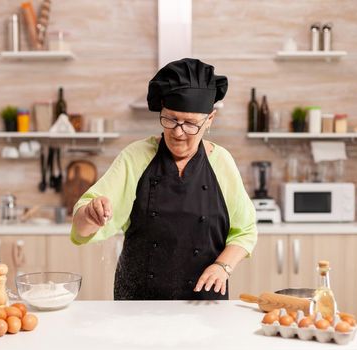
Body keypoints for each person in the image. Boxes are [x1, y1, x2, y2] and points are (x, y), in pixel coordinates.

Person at [71, 58, 257, 300]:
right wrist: (90, 214)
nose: (178, 132)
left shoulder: (221, 162)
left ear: (209, 119)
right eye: (170, 119)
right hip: (138, 303)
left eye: (190, 123)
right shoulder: (135, 157)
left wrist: (222, 266)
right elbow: (80, 228)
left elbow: (245, 231)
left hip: (204, 305)